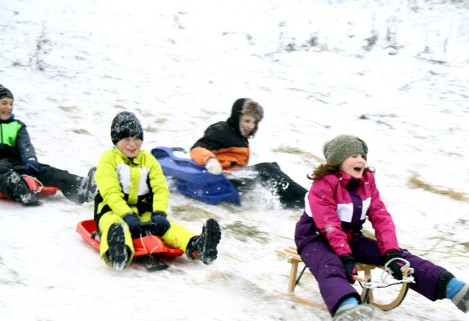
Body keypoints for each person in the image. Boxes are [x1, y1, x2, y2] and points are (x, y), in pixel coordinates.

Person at [294, 134, 469, 321]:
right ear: (338, 161)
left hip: (350, 238)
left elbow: (380, 216)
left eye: (362, 155)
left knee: (400, 258)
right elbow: (329, 225)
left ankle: (456, 290)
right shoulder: (323, 186)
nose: (360, 160)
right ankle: (346, 307)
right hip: (315, 239)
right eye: (353, 155)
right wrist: (345, 257)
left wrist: (390, 253)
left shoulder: (367, 182)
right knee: (329, 265)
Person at [94, 111, 222, 271]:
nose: (132, 144)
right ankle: (119, 251)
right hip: (112, 210)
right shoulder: (109, 159)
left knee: (167, 227)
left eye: (136, 138)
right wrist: (126, 215)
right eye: (126, 139)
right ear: (116, 140)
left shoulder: (148, 160)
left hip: (143, 211)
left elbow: (160, 189)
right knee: (116, 225)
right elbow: (111, 193)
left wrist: (159, 213)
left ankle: (197, 245)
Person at [190, 98, 307, 209]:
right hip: (221, 179)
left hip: (232, 177)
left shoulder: (239, 137)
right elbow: (198, 148)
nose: (250, 126)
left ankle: (290, 204)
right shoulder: (221, 131)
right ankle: (306, 200)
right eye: (247, 121)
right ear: (237, 117)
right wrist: (210, 160)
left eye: (254, 122)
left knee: (273, 167)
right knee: (267, 169)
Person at [0, 84, 96, 206]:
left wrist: (31, 160)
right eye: (4, 103)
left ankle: (80, 187)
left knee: (47, 171)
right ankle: (21, 190)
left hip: (17, 163)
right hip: (1, 168)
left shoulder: (17, 126)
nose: (8, 107)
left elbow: (25, 145)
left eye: (11, 103)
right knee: (3, 176)